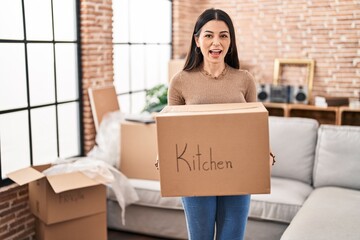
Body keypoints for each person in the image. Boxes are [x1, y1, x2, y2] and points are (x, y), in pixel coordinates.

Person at [167, 8, 275, 240]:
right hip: (195, 175)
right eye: (209, 35)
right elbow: (172, 133)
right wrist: (164, 156)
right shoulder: (180, 82)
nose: (216, 42)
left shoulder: (244, 80)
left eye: (223, 35)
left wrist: (267, 154)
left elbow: (252, 128)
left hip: (238, 174)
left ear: (231, 41)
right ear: (197, 40)